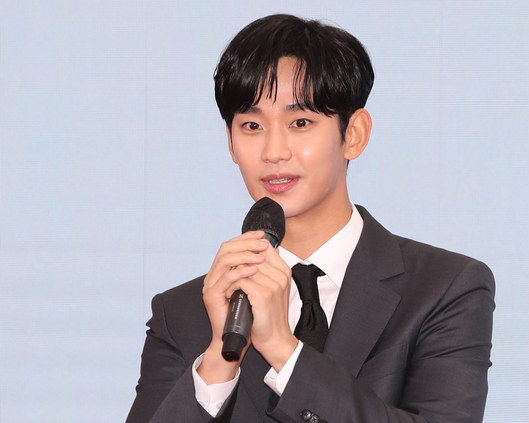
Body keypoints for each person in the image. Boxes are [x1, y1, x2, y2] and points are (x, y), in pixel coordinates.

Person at [126, 14, 495, 423]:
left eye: (300, 123)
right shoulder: (181, 313)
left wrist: (284, 350)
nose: (274, 152)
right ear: (230, 141)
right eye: (252, 125)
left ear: (354, 134)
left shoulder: (444, 289)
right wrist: (218, 361)